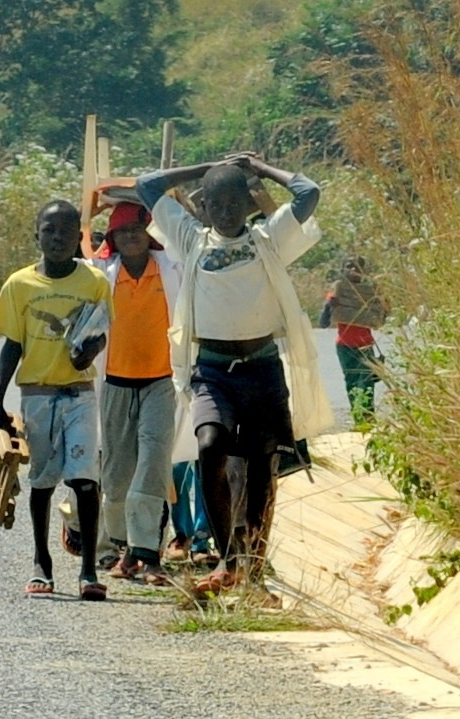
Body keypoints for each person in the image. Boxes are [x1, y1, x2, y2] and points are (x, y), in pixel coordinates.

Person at [138, 152, 330, 595]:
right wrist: (201, 168)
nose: (225, 213)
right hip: (212, 371)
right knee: (210, 445)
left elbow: (309, 192)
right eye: (215, 204)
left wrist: (260, 169)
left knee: (263, 469)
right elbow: (148, 184)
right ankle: (225, 557)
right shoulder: (190, 239)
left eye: (233, 203)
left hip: (262, 369)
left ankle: (254, 567)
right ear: (202, 208)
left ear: (248, 204)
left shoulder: (268, 238)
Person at [0, 199, 114, 600]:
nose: (57, 238)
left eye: (65, 231)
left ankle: (89, 570)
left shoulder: (92, 282)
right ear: (36, 235)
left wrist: (90, 352)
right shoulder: (20, 285)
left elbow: (100, 331)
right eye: (49, 230)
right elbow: (12, 344)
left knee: (84, 480)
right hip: (38, 395)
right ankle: (42, 562)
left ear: (79, 237)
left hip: (79, 393)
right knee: (41, 480)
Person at [95, 201, 181, 585]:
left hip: (161, 381)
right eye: (121, 231)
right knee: (116, 471)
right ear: (112, 238)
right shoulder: (101, 276)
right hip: (115, 381)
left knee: (152, 464)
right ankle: (120, 548)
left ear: (148, 234)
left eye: (136, 229)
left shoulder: (170, 270)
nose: (130, 236)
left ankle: (148, 553)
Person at [320, 256, 387, 426]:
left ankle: (368, 420)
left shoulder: (370, 292)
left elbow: (380, 319)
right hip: (345, 345)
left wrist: (384, 304)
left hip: (365, 344)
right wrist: (330, 305)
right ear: (343, 270)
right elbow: (323, 322)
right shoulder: (338, 291)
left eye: (357, 267)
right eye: (349, 266)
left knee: (366, 383)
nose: (353, 269)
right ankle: (360, 421)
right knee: (352, 383)